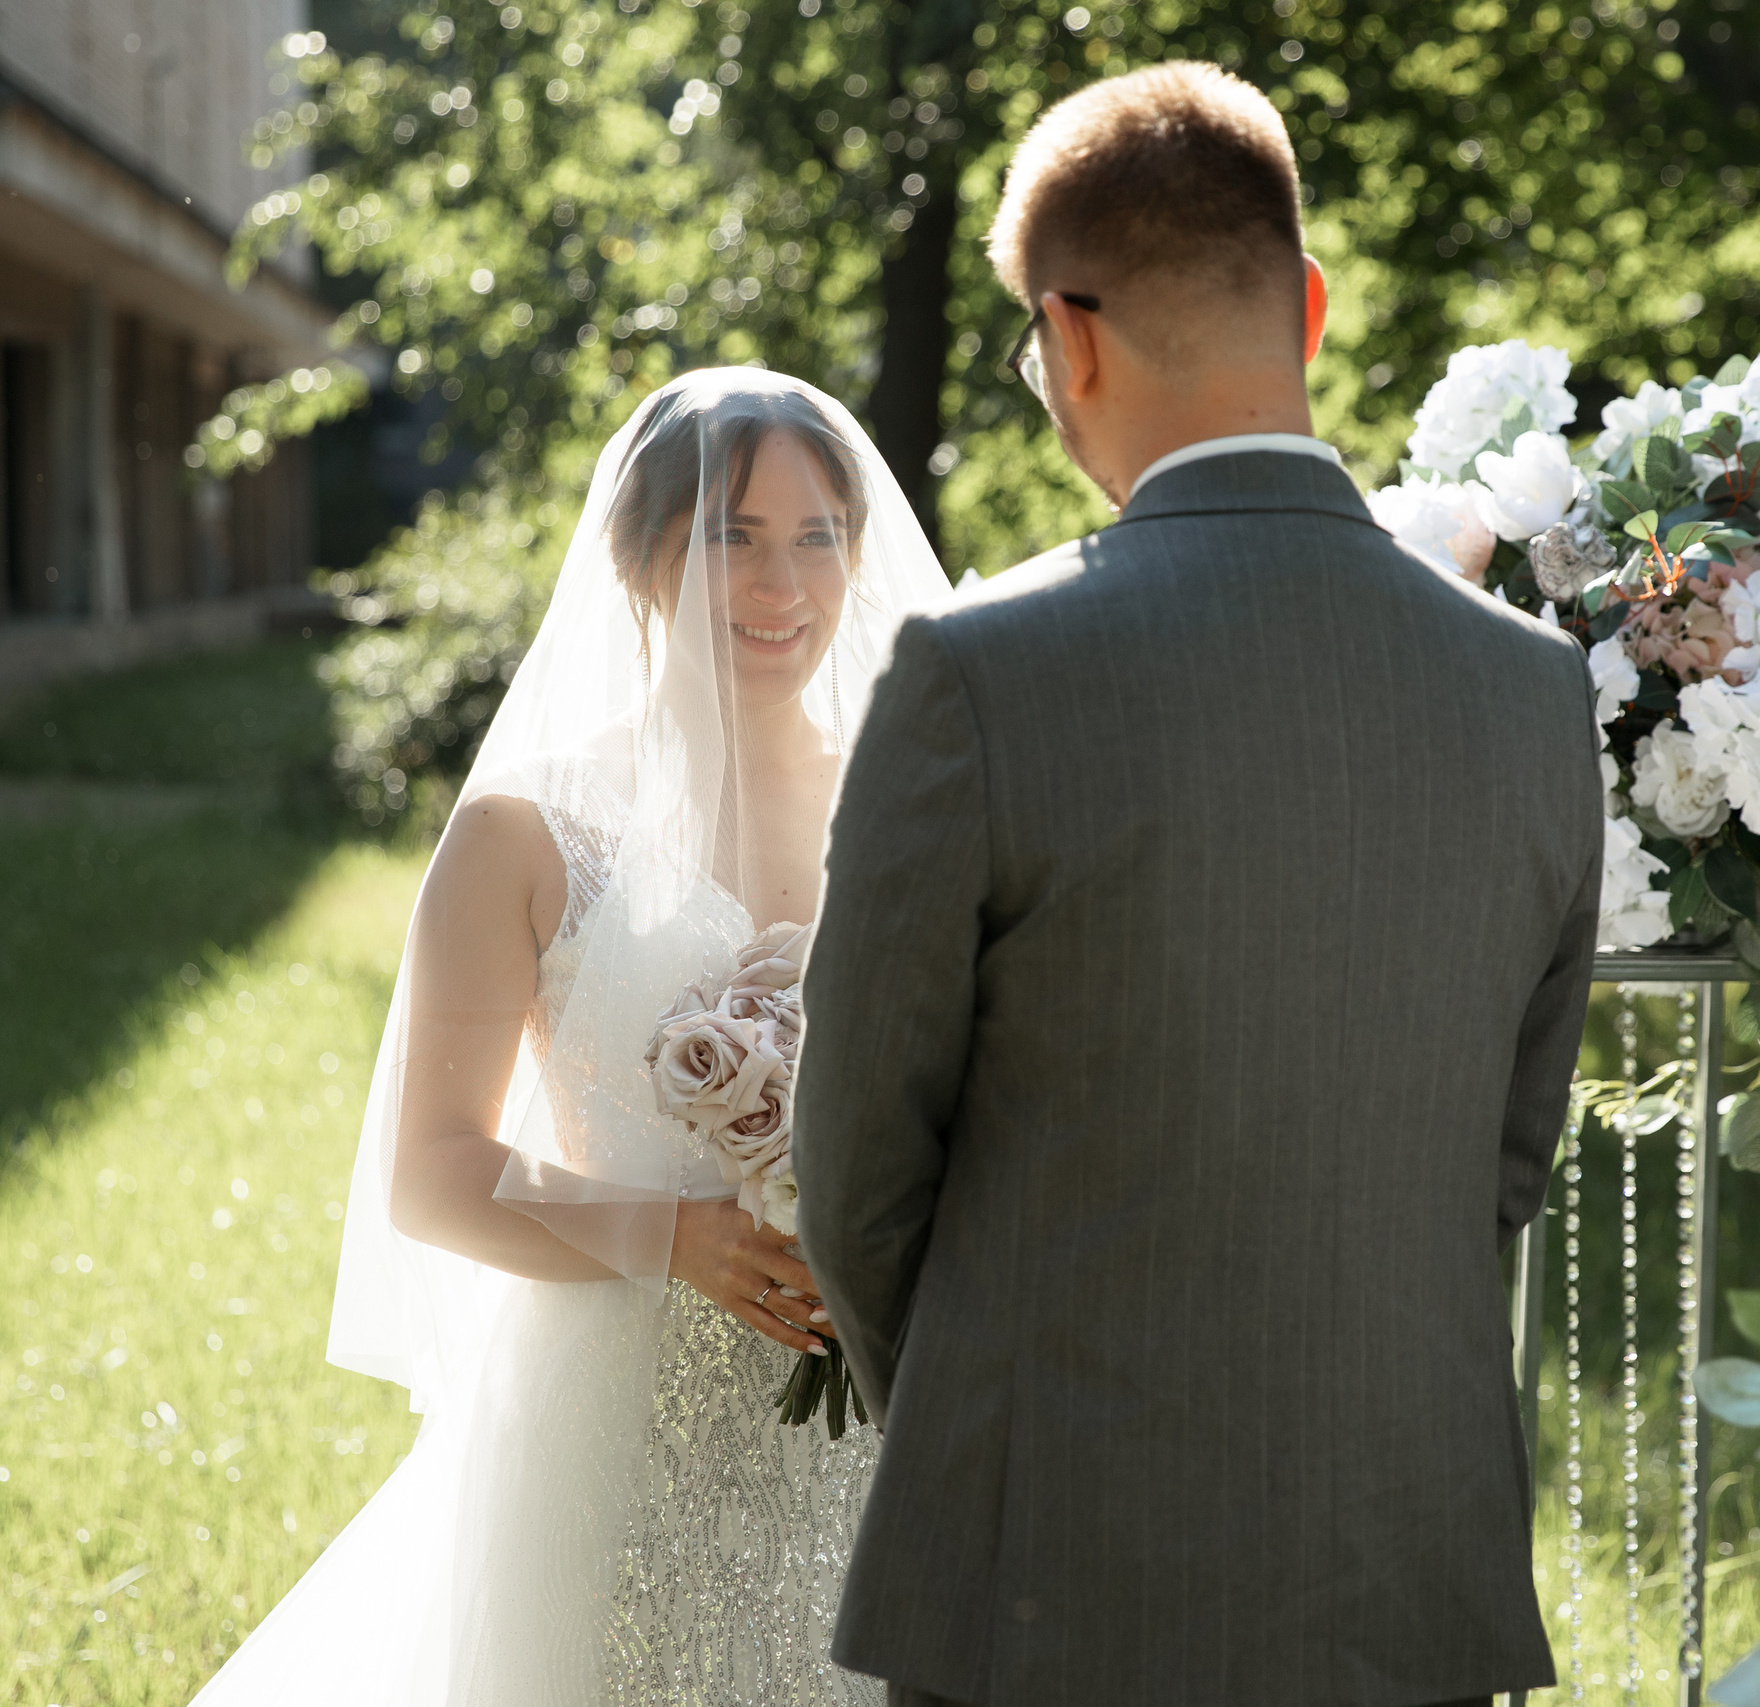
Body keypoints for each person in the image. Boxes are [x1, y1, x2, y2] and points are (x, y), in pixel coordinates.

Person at [794, 64, 1603, 1707]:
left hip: (1046, 1594)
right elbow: (1504, 1161)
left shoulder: (974, 674)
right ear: (1304, 308)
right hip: (1407, 1576)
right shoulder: (1532, 690)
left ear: (1069, 340)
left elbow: (859, 1160)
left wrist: (991, 1425)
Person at [190, 370, 951, 1706]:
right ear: (637, 553)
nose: (786, 585)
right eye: (735, 536)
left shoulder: (915, 804)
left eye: (819, 536)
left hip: (871, 1426)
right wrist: (673, 1236)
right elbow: (429, 1173)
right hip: (613, 1425)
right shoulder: (525, 834)